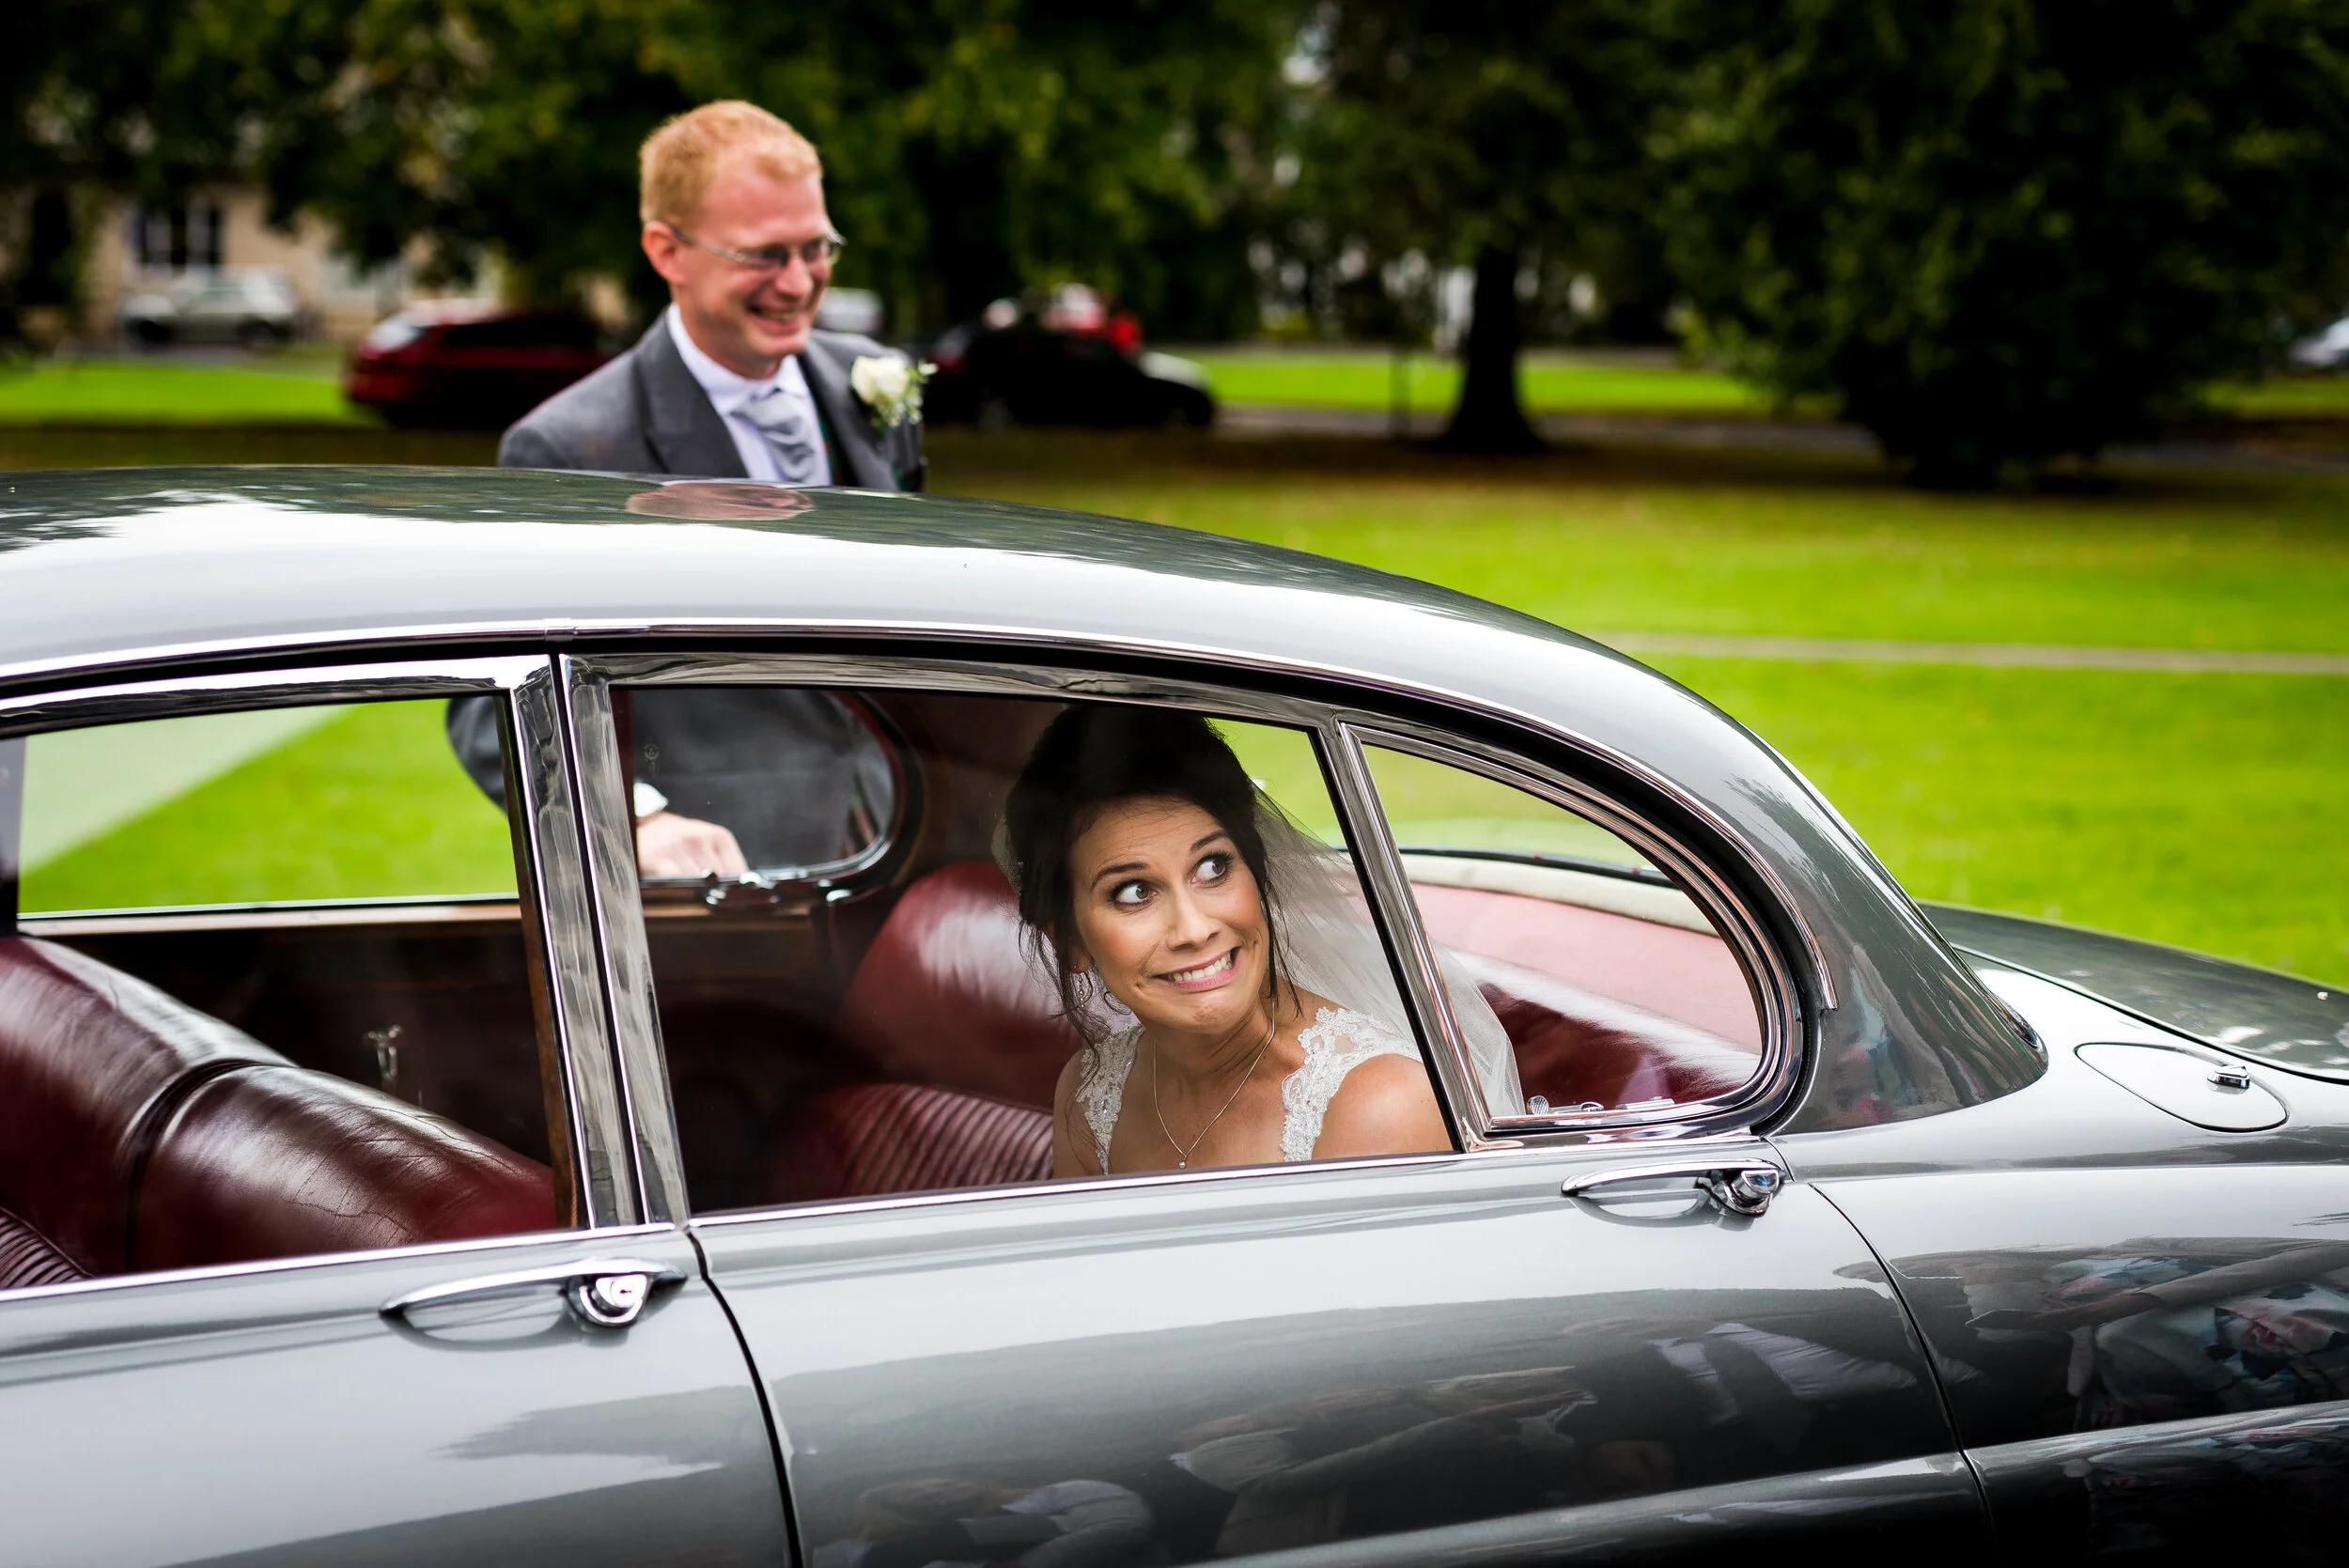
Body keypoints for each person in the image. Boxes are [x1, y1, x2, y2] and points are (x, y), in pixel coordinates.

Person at [451, 101, 924, 874]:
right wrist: (637, 817)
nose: (799, 282)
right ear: (667, 251)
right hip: (722, 873)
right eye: (764, 255)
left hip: (904, 835)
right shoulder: (570, 448)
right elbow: (487, 701)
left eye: (816, 247)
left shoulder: (872, 383)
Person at [997, 706, 1512, 1177]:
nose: (1195, 929)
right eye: (1134, 892)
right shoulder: (1090, 1094)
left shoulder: (1380, 1105)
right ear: (1069, 941)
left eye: (1213, 867)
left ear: (1258, 875)